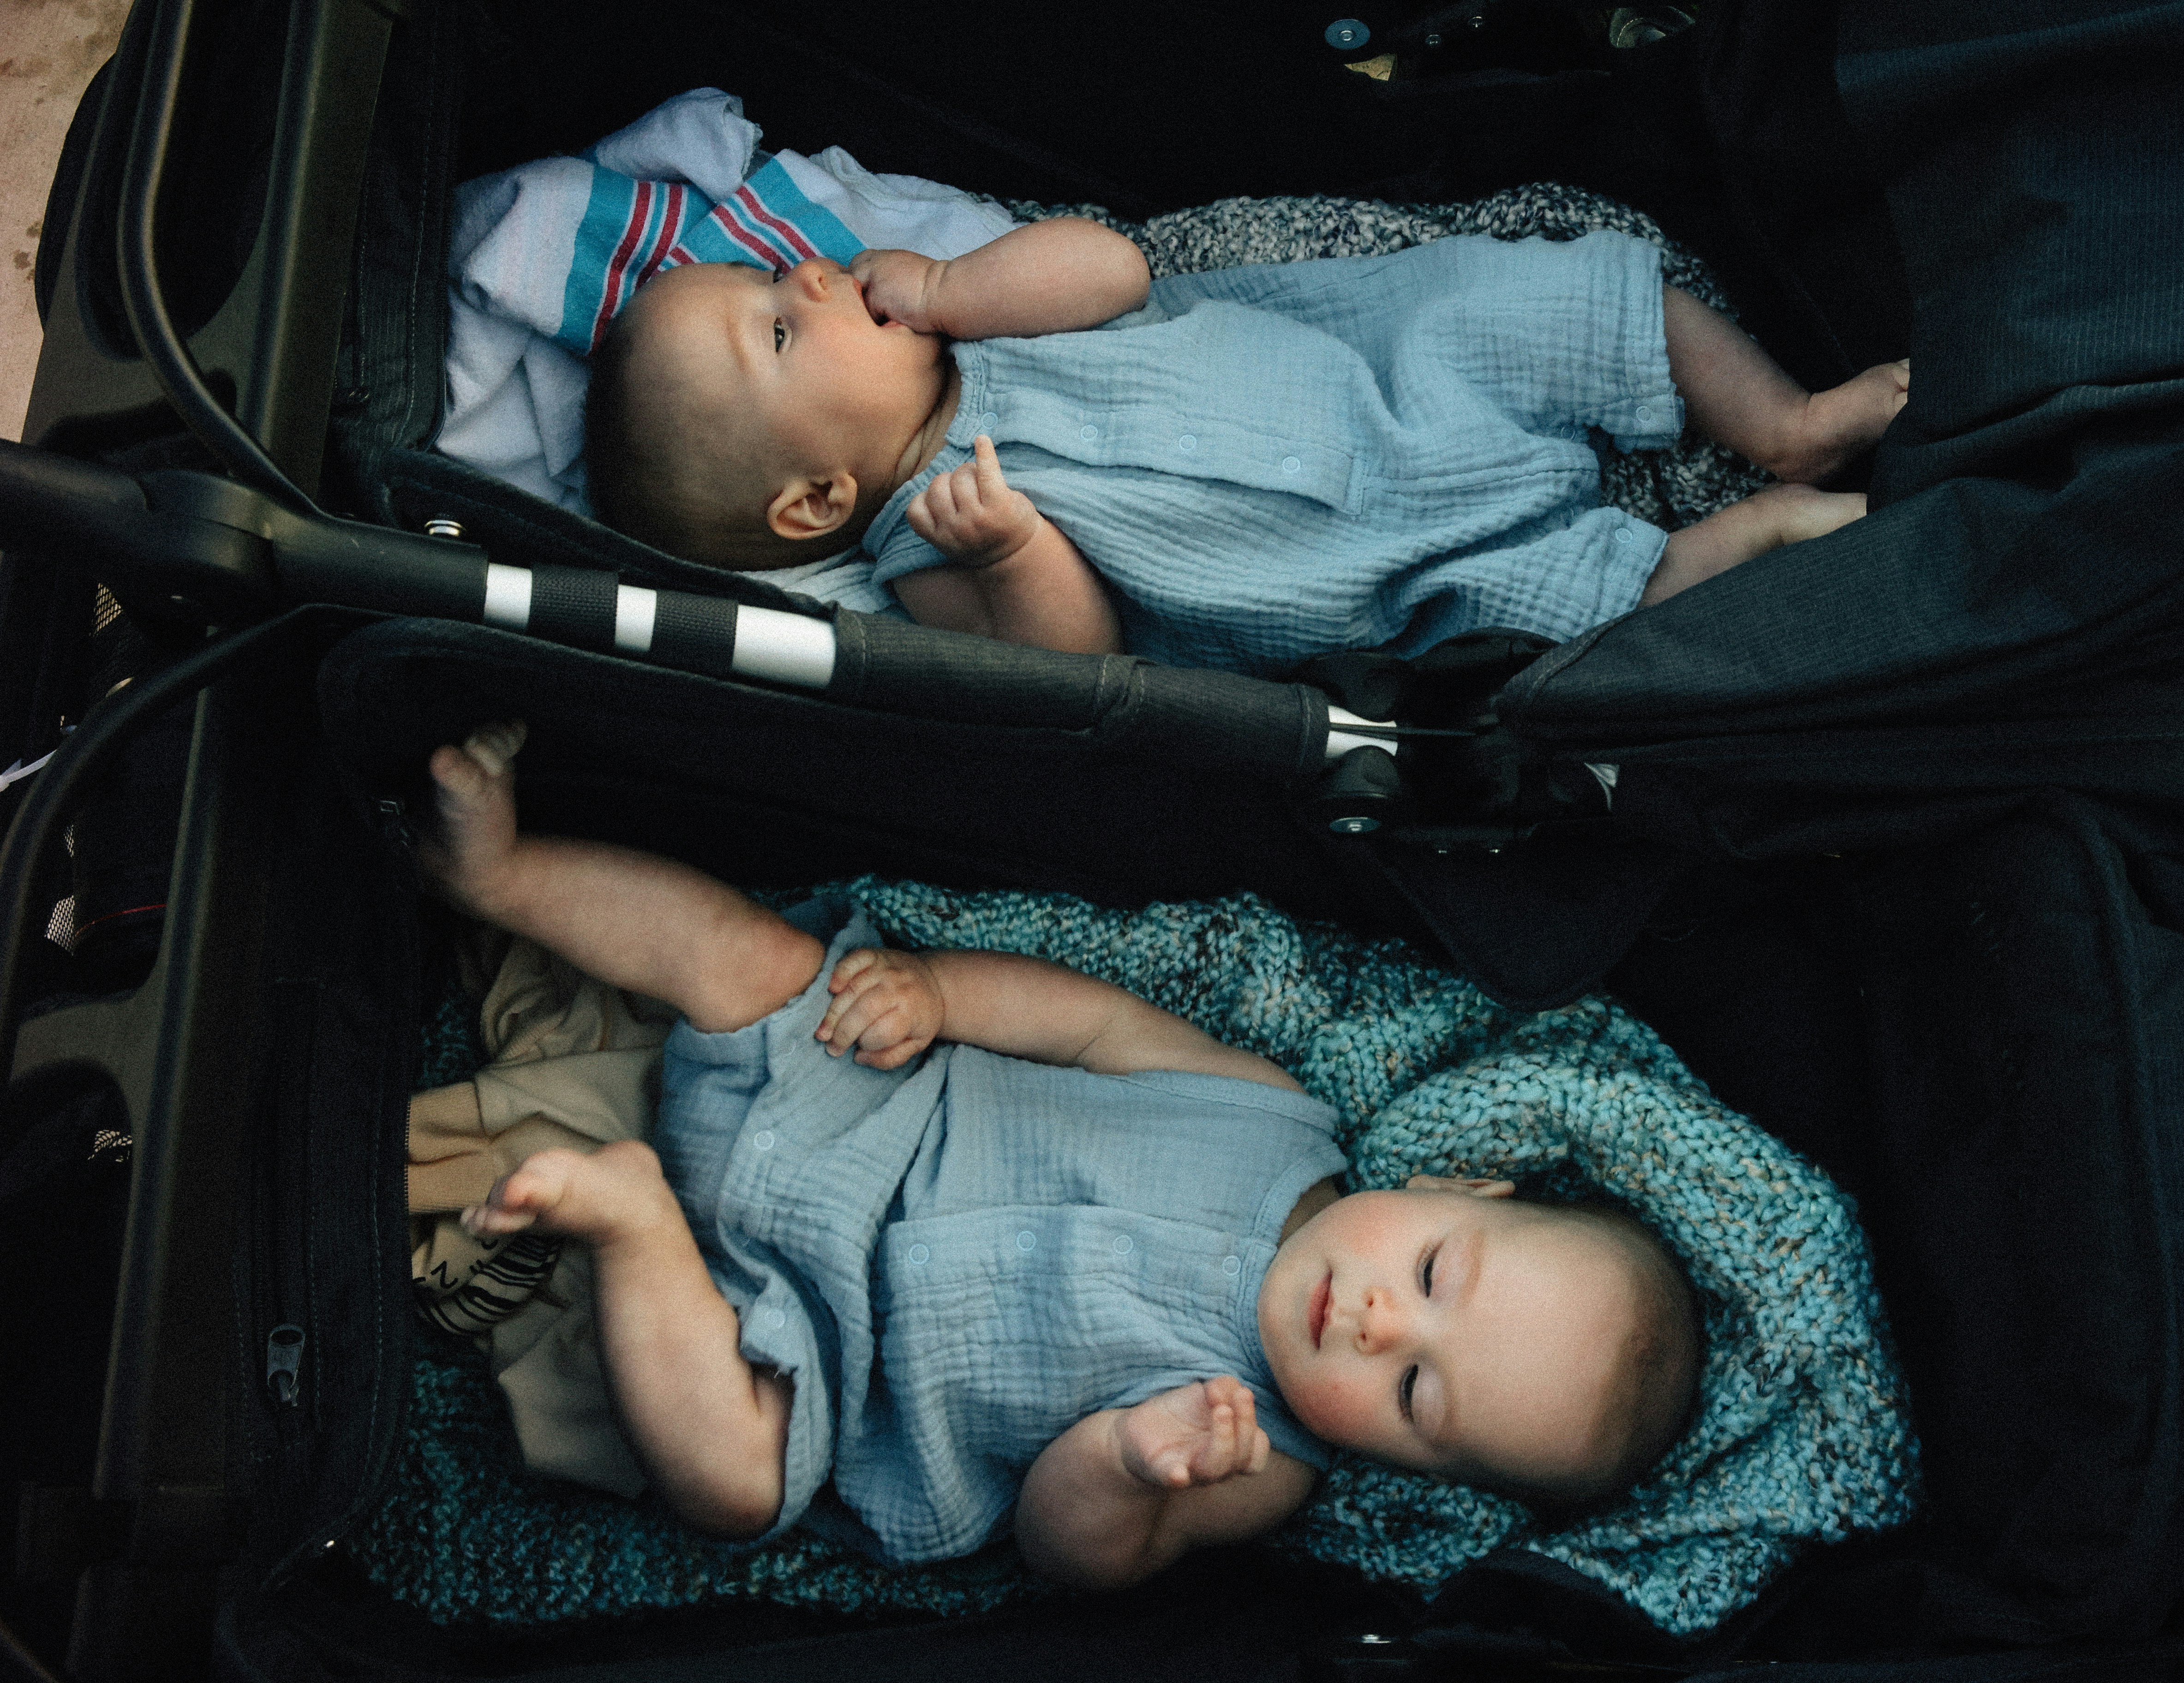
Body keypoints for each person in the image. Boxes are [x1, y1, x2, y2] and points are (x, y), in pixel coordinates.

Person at [419, 721, 1701, 1588]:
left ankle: (633, 1218)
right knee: (752, 962)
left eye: (1420, 1398)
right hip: (863, 1108)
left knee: (734, 1486)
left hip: (819, 1361)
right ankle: (506, 872)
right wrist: (938, 995)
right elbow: (1095, 1024)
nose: (1374, 1325)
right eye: (1431, 1275)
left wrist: (1133, 1464)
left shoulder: (1258, 1463)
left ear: (1426, 1476)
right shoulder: (1276, 1113)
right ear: (1450, 1187)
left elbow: (1071, 1551)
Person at [582, 217, 1908, 675]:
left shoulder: (976, 311)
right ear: (817, 500)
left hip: (1385, 376)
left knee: (1579, 298)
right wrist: (1018, 548)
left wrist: (952, 287)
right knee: (1579, 616)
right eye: (776, 331)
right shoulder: (928, 545)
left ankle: (1788, 425)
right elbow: (1071, 667)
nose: (810, 282)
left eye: (774, 272)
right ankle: (1744, 538)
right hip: (1373, 560)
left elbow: (1111, 268)